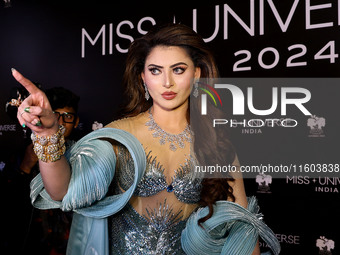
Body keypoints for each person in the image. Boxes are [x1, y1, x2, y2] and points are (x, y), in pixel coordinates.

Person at [11, 23, 280, 255]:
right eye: (155, 70)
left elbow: (243, 236)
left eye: (178, 70)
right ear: (142, 77)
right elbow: (62, 191)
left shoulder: (218, 144)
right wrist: (46, 134)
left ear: (196, 74)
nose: (167, 83)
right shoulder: (120, 135)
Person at [1, 86, 80, 254]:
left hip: (69, 243)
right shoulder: (23, 155)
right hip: (29, 242)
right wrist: (25, 167)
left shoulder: (83, 155)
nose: (61, 122)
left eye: (68, 117)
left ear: (76, 122)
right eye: (55, 115)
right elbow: (7, 203)